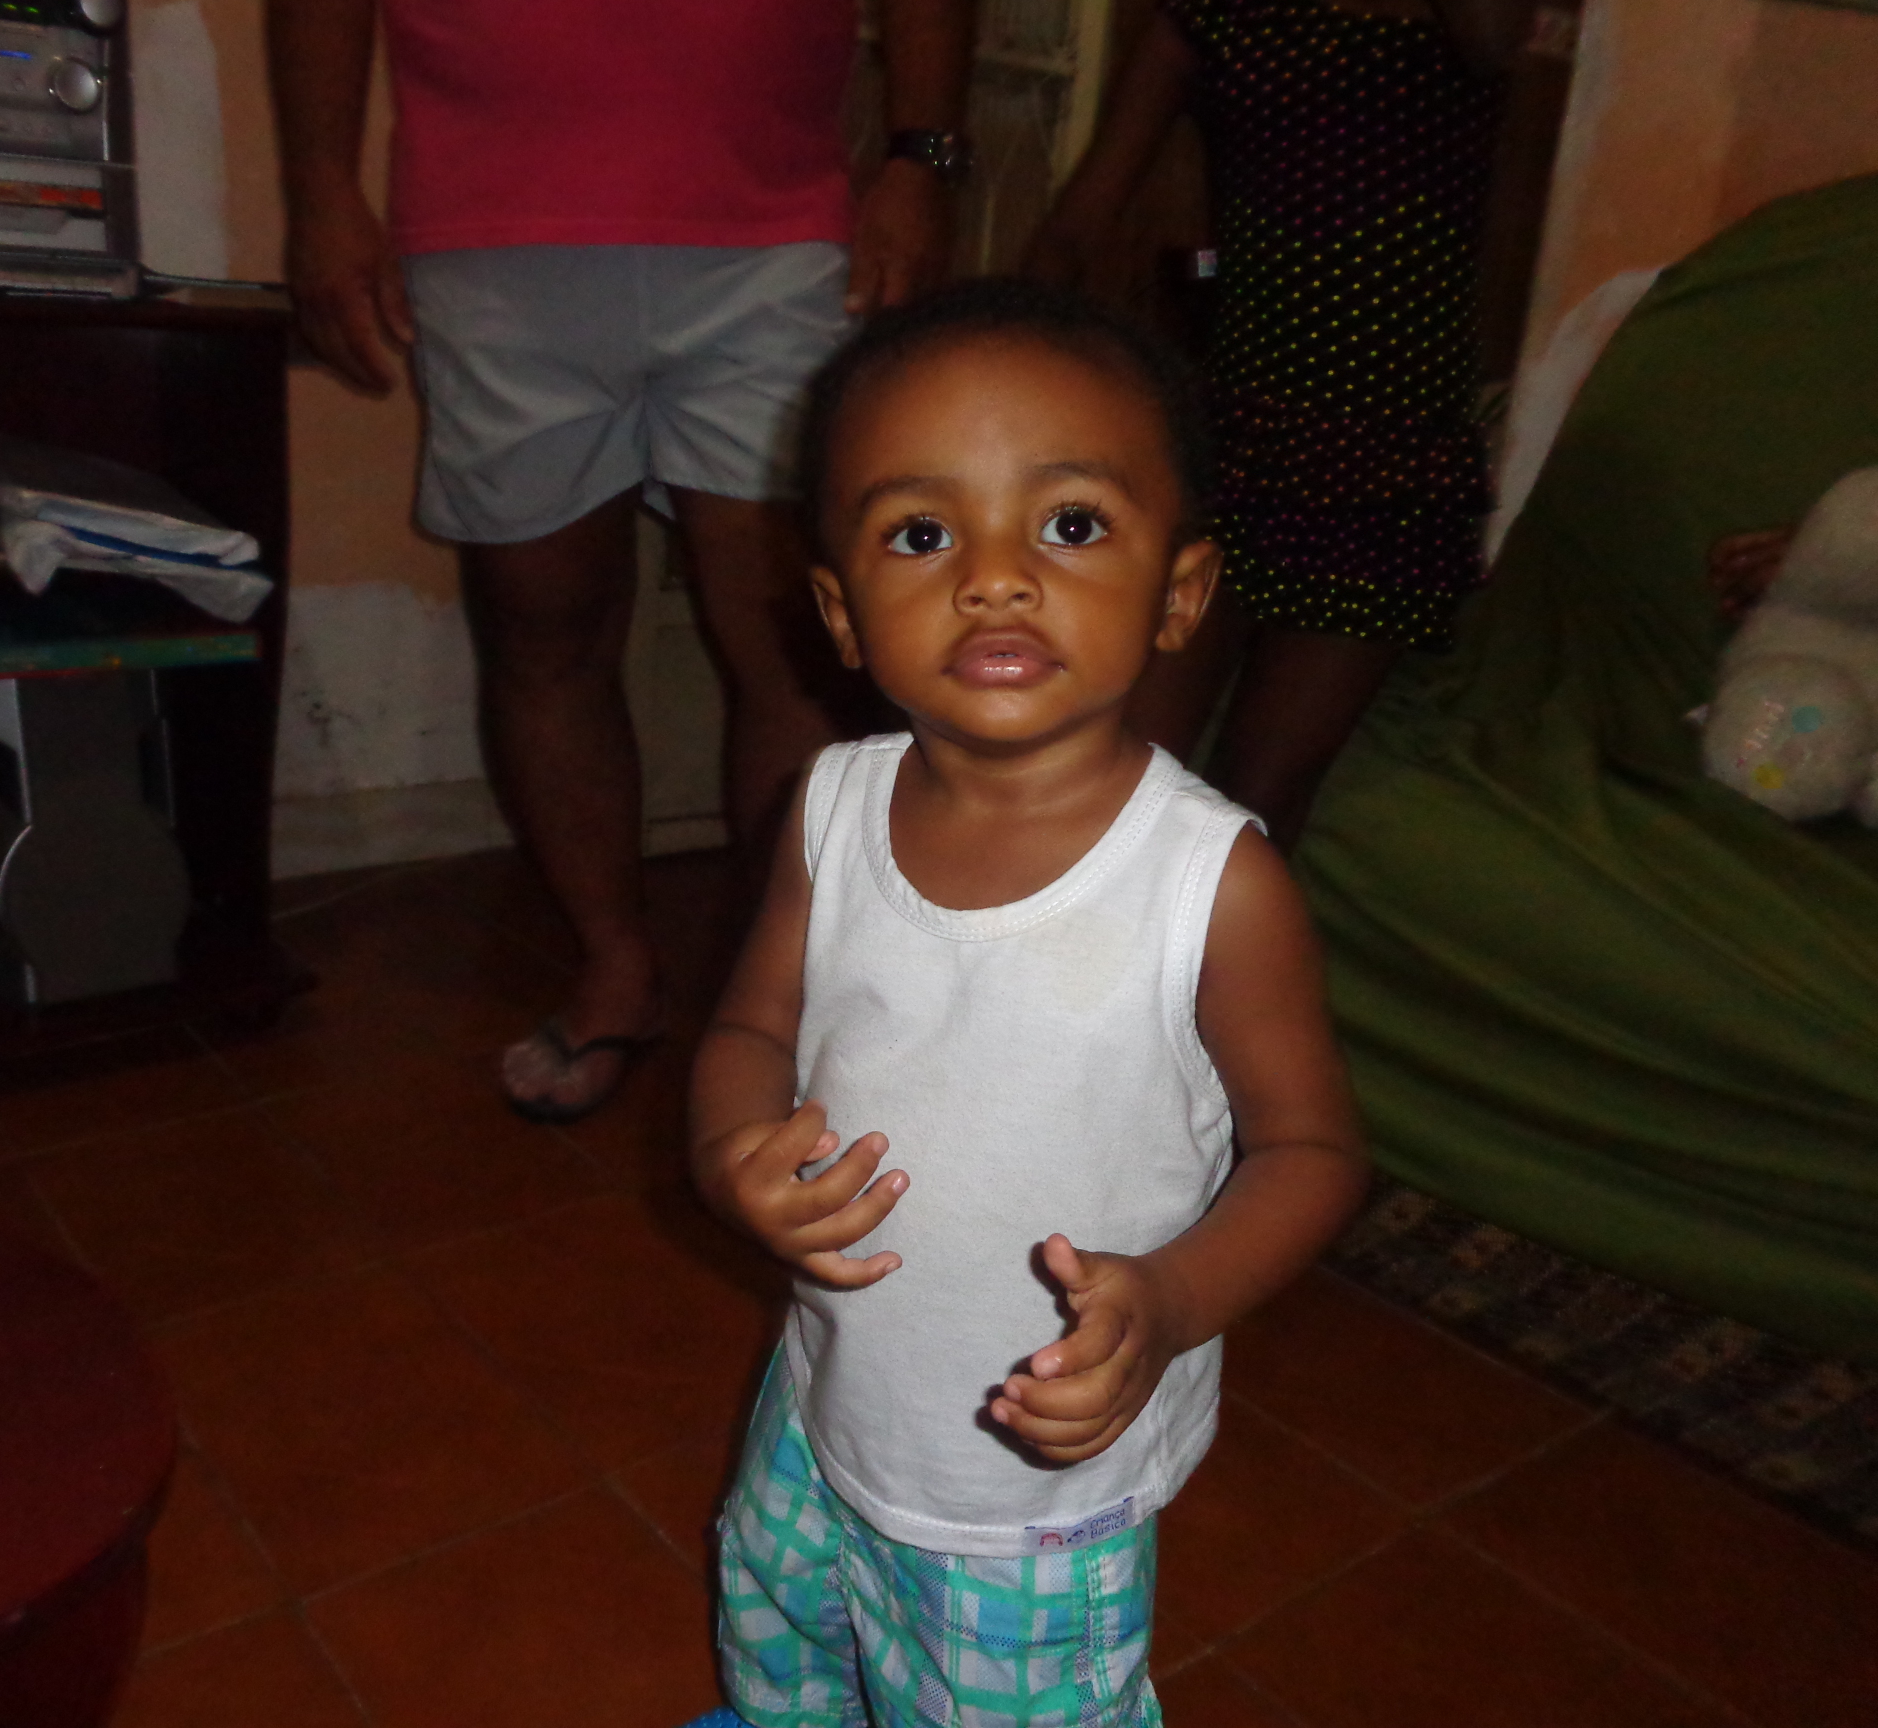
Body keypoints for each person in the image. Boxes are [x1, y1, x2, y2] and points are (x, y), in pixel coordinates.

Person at [687, 280, 1369, 1727]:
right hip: (829, 1395)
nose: (993, 579)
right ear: (841, 611)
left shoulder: (1211, 886)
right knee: (785, 1634)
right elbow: (750, 1026)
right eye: (920, 535)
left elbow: (1313, 1153)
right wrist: (731, 1150)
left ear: (1180, 593)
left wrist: (1171, 1301)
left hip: (1032, 1481)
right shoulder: (830, 806)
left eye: (1068, 524)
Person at [266, 0, 977, 1122]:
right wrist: (319, 192)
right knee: (541, 624)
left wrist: (922, 159)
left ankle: (780, 995)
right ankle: (617, 968)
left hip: (776, 226)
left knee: (796, 641)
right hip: (490, 232)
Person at [1028, 0, 1534, 845]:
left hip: (1391, 461)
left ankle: (1214, 940)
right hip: (1233, 442)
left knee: (1256, 808)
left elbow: (1494, 39)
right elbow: (1078, 226)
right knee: (1120, 777)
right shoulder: (1208, 16)